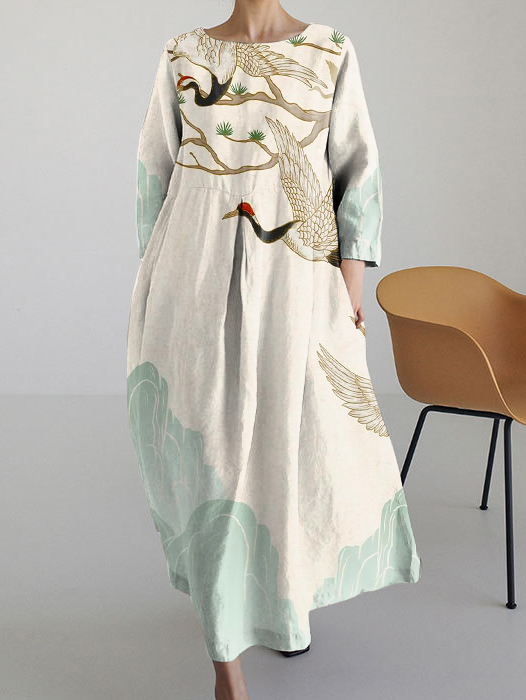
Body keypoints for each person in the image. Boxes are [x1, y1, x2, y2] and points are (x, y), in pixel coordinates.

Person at [127, 4, 422, 699]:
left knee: (289, 446)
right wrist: (152, 281)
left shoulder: (330, 51)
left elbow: (357, 172)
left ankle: (281, 599)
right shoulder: (183, 53)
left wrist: (350, 291)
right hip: (192, 281)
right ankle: (225, 663)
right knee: (213, 456)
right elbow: (154, 174)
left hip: (298, 284)